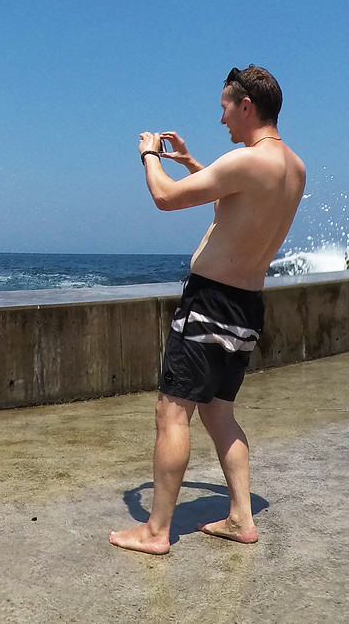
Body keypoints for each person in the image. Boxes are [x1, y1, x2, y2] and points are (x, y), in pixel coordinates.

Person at [110, 65, 306, 554]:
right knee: (219, 413)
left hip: (210, 302)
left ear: (246, 106)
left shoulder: (248, 161)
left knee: (171, 413)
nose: (221, 119)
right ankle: (242, 516)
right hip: (246, 306)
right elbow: (234, 210)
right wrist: (195, 163)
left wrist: (150, 155)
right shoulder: (294, 167)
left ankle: (155, 531)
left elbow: (164, 198)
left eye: (224, 107)